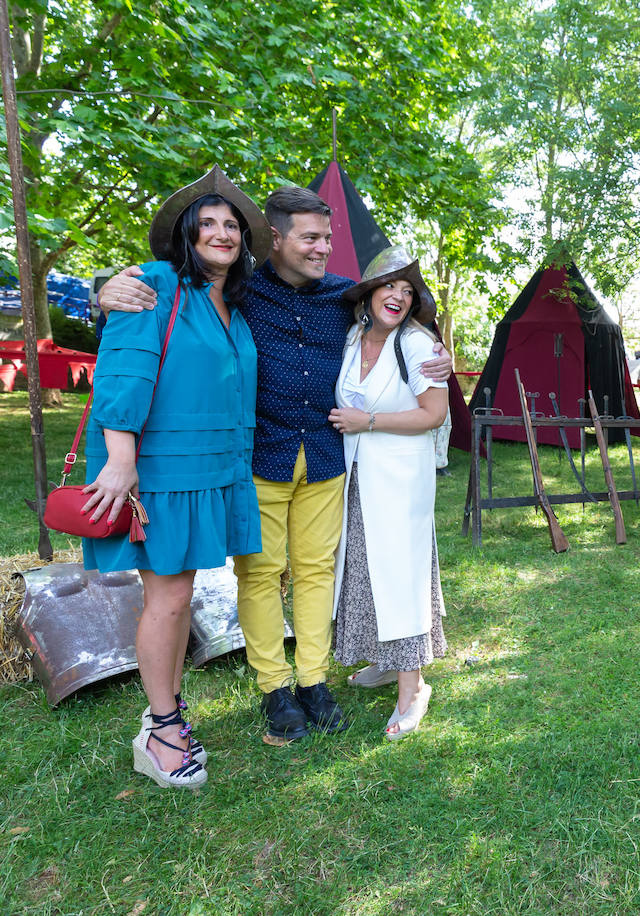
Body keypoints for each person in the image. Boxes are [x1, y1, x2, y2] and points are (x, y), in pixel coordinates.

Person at [97, 187, 453, 743]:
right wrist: (106, 290)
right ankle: (274, 688)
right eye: (310, 238)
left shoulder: (342, 296)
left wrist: (435, 351)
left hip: (327, 457)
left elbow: (397, 315)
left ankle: (313, 679)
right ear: (278, 239)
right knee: (260, 573)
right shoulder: (240, 290)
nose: (322, 250)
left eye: (327, 239)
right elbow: (171, 294)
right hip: (260, 453)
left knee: (316, 571)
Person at [82, 166, 266, 787]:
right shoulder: (153, 283)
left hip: (211, 468)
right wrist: (121, 458)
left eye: (231, 225)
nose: (222, 233)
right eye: (207, 224)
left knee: (180, 594)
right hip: (157, 470)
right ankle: (160, 731)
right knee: (169, 596)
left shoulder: (233, 304)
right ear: (186, 237)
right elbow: (124, 368)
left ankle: (169, 715)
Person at [327, 247, 449, 739]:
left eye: (407, 290)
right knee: (362, 567)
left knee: (399, 576)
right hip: (356, 477)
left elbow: (433, 415)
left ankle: (413, 687)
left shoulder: (418, 345)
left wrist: (367, 421)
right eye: (390, 286)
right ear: (369, 293)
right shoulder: (354, 337)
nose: (398, 295)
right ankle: (382, 659)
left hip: (400, 482)